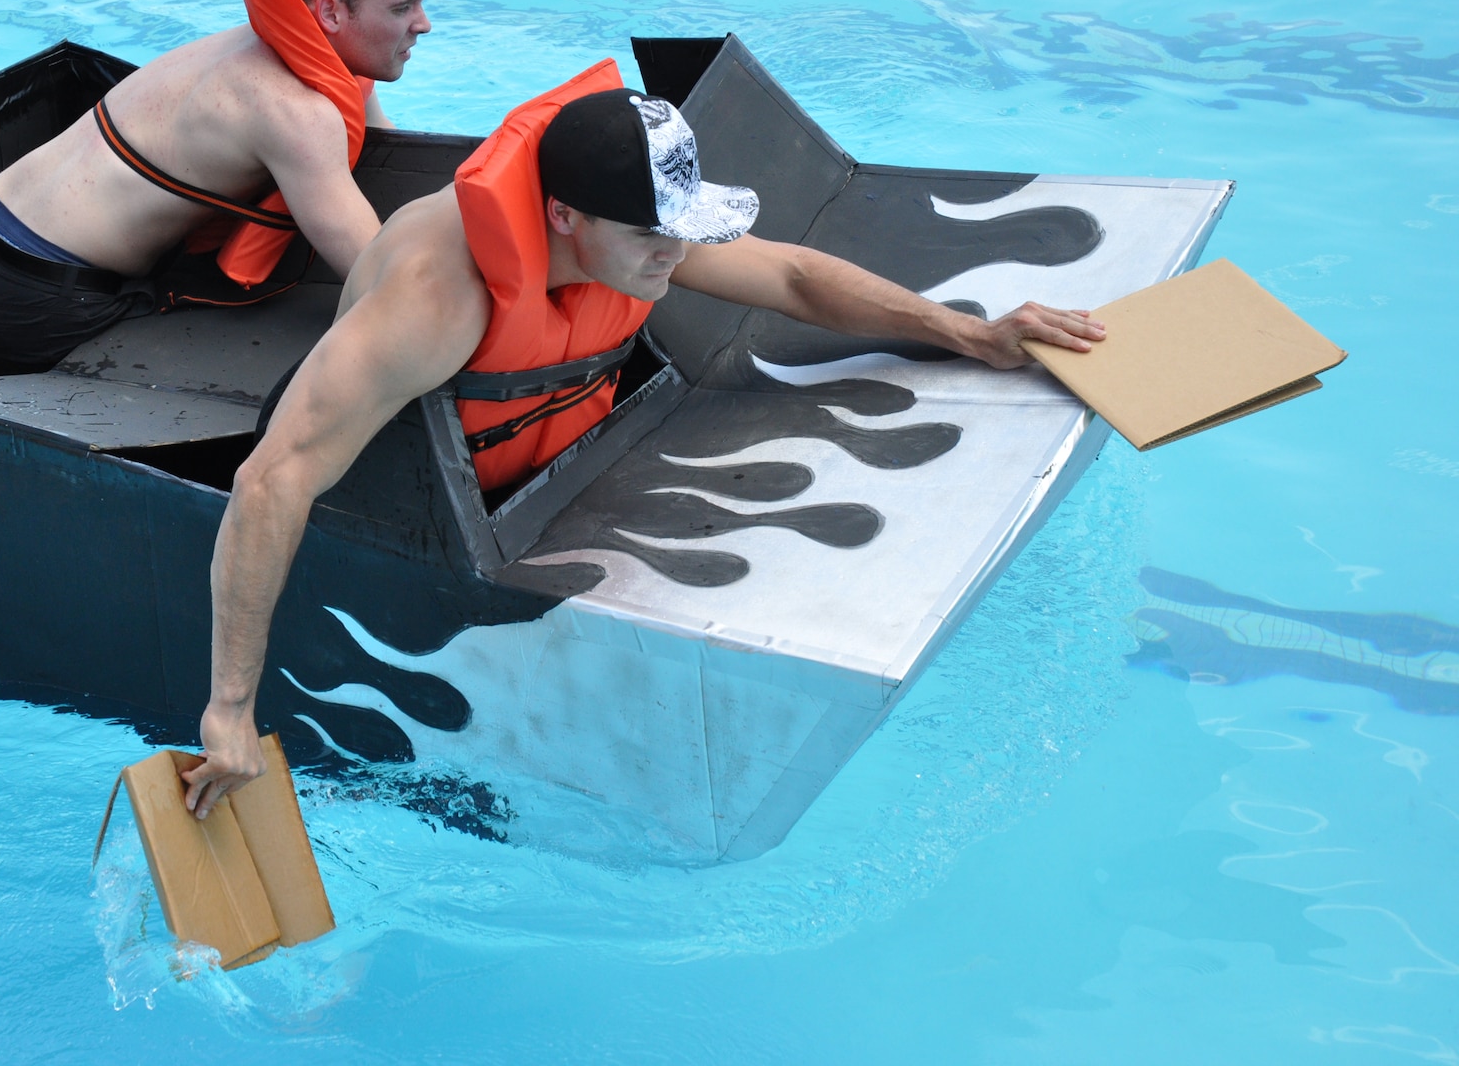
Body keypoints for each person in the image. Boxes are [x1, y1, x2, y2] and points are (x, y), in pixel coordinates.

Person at [178, 60, 1108, 818]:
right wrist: (228, 707)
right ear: (561, 217)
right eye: (655, 236)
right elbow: (274, 480)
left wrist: (969, 331)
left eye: (684, 232)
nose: (677, 253)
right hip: (401, 512)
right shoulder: (436, 298)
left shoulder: (631, 222)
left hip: (548, 460)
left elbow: (787, 275)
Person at [0, 0, 431, 380]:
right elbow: (375, 277)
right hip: (37, 291)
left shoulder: (249, 45)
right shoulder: (292, 113)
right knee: (215, 327)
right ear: (331, 14)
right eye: (402, 8)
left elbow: (381, 141)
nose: (423, 25)